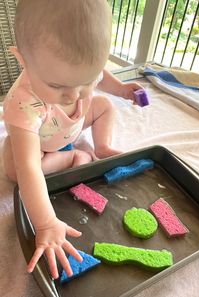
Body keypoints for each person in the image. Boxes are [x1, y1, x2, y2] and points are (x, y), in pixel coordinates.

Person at [2, 0, 143, 279]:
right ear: (22, 60)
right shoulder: (23, 103)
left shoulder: (78, 79)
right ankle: (71, 157)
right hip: (39, 144)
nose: (74, 96)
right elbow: (28, 168)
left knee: (104, 105)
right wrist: (45, 223)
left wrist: (123, 89)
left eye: (85, 80)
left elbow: (101, 77)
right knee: (17, 170)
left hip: (70, 128)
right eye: (56, 86)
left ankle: (100, 147)